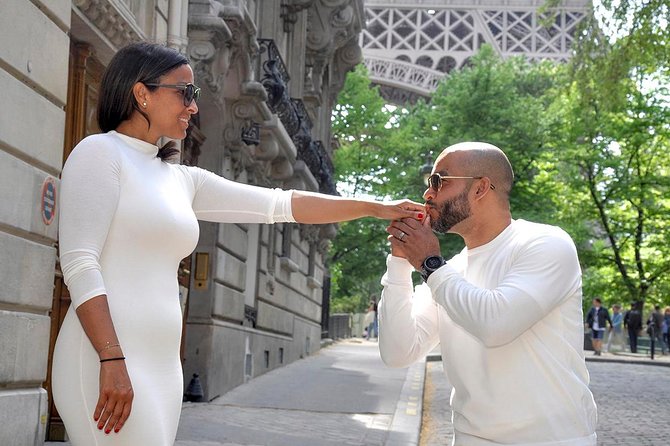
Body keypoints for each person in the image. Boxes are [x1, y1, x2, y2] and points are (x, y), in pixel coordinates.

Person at [52, 42, 424, 445]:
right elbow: (80, 263)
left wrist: (374, 207)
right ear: (142, 93)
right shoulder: (99, 153)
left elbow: (281, 204)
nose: (193, 106)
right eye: (185, 92)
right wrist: (111, 357)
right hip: (103, 359)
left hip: (161, 366)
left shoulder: (180, 178)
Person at [378, 142, 597, 445]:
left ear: (480, 188)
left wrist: (429, 264)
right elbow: (398, 353)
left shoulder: (546, 244)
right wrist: (400, 263)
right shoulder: (448, 272)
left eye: (438, 181)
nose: (428, 194)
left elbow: (496, 325)